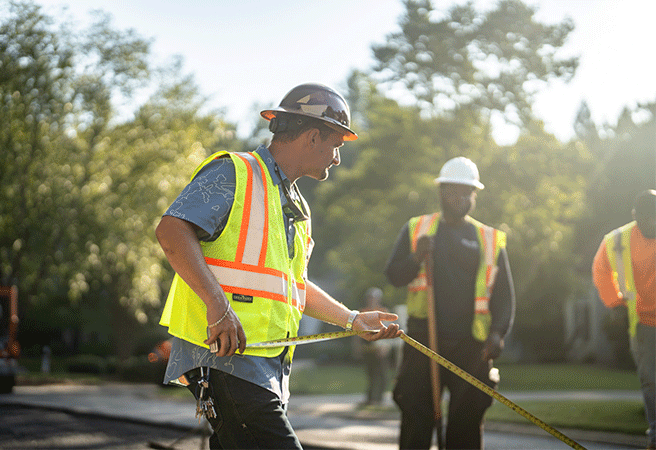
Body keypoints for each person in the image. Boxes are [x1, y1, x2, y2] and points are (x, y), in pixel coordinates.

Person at [156, 83, 401, 450]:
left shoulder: (296, 208)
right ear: (313, 137)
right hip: (226, 359)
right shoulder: (235, 172)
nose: (337, 158)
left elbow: (293, 286)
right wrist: (218, 307)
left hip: (261, 365)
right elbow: (171, 230)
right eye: (336, 145)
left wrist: (351, 319)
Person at [385, 157, 515, 450]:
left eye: (467, 192)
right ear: (442, 192)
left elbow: (504, 295)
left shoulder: (488, 238)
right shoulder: (417, 228)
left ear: (475, 195)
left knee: (466, 424)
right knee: (417, 420)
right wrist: (416, 257)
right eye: (454, 191)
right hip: (423, 341)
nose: (461, 198)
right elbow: (394, 275)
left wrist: (498, 333)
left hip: (471, 346)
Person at [592, 189, 656, 450]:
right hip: (643, 323)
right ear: (634, 215)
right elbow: (600, 270)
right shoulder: (618, 240)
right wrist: (615, 304)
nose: (652, 223)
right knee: (651, 381)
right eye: (646, 218)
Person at [357, 287, 393, 406]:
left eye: (374, 298)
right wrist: (357, 347)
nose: (371, 300)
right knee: (371, 375)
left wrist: (385, 347)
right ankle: (370, 399)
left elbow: (388, 330)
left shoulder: (384, 312)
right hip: (368, 350)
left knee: (382, 375)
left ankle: (379, 399)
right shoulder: (363, 312)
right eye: (370, 298)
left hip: (380, 349)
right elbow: (356, 333)